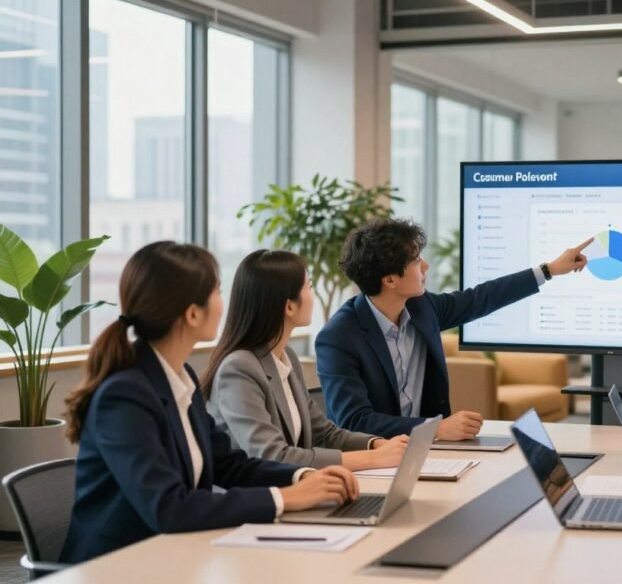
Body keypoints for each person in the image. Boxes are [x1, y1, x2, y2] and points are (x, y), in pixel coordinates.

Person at [61, 242, 359, 564]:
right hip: (115, 567)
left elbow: (229, 464)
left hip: (174, 555)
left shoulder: (180, 375)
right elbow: (170, 508)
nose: (224, 303)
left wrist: (302, 478)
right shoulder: (124, 395)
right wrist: (284, 498)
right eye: (217, 292)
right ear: (192, 313)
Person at [316, 218, 590, 439]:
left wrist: (549, 269)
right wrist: (435, 428)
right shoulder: (339, 337)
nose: (426, 266)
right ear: (389, 279)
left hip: (428, 452)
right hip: (374, 461)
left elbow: (481, 298)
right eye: (415, 261)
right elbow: (353, 421)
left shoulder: (422, 308)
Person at [204, 249, 408, 471]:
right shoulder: (239, 369)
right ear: (289, 306)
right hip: (254, 500)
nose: (313, 296)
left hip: (294, 489)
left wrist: (376, 444)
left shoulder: (286, 356)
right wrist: (373, 459)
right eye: (309, 288)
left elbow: (323, 432)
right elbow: (272, 455)